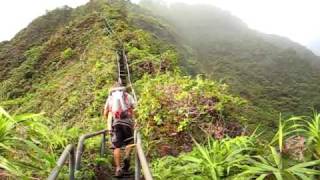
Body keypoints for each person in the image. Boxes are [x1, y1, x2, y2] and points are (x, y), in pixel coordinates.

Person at [104, 83, 136, 177]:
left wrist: (109, 121)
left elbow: (106, 112)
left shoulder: (110, 98)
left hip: (116, 123)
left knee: (116, 146)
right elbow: (134, 109)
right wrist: (135, 121)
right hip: (128, 123)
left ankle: (118, 169)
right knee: (129, 142)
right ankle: (126, 158)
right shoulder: (128, 96)